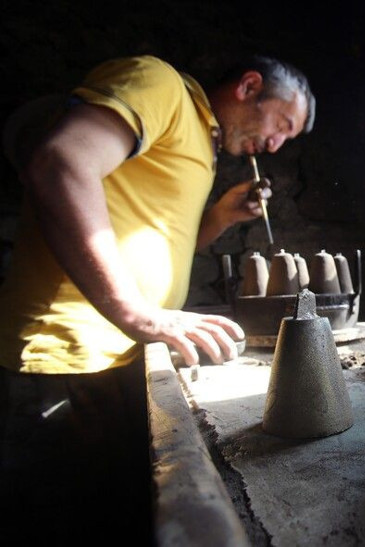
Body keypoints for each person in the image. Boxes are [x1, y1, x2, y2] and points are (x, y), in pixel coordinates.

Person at [0, 54, 315, 541]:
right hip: (65, 355)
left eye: (284, 141)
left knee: (116, 513)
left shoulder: (202, 145)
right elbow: (58, 162)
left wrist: (222, 216)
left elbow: (170, 243)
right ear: (249, 87)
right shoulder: (160, 84)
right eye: (281, 125)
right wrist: (137, 313)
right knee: (63, 522)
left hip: (120, 353)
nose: (273, 145)